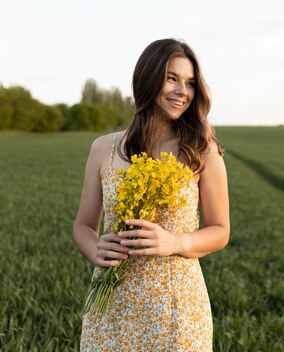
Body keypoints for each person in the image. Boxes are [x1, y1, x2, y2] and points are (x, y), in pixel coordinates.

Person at [72, 38, 229, 351]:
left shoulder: (203, 151)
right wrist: (96, 250)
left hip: (177, 307)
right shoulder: (104, 149)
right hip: (111, 305)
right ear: (147, 78)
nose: (182, 91)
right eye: (171, 78)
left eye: (190, 83)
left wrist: (177, 242)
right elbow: (83, 227)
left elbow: (220, 231)